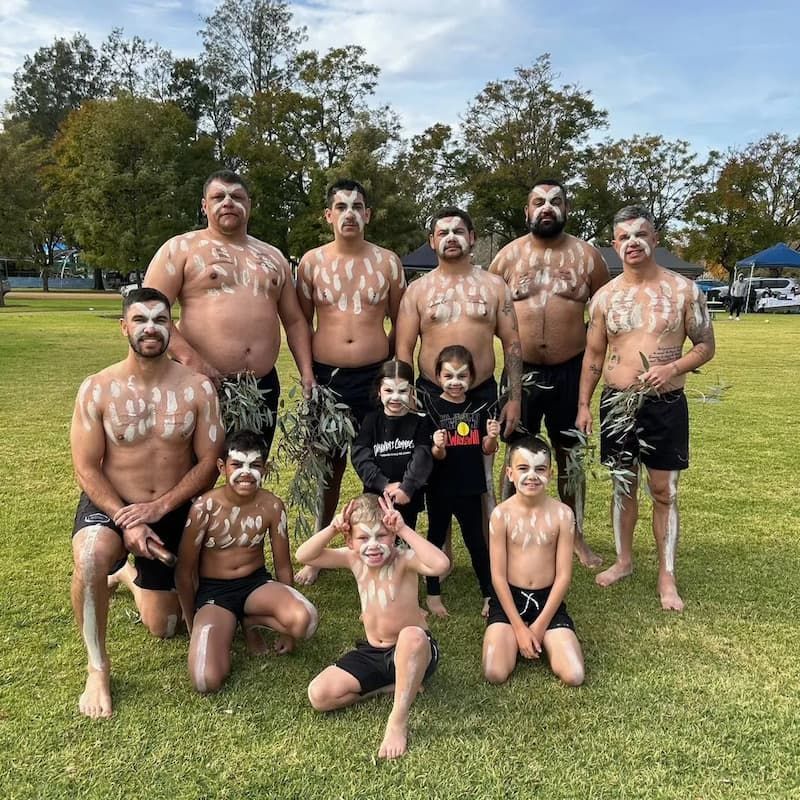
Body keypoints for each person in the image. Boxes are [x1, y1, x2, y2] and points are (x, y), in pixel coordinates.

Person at [70, 288, 223, 719]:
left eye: (160, 319)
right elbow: (86, 468)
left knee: (164, 627)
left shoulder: (197, 389)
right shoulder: (97, 389)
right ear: (124, 327)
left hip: (172, 506)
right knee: (90, 556)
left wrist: (158, 510)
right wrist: (127, 519)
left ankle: (129, 576)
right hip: (114, 502)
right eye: (140, 320)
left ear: (171, 328)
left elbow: (210, 463)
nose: (150, 328)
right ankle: (97, 666)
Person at [576, 205, 715, 612]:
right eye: (623, 237)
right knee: (623, 485)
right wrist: (584, 404)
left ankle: (666, 575)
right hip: (618, 403)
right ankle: (624, 560)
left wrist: (672, 366)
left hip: (665, 404)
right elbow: (593, 356)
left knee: (663, 490)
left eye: (640, 234)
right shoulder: (605, 297)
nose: (632, 242)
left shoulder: (684, 291)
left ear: (655, 240)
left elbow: (706, 346)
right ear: (615, 245)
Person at [144, 169, 315, 454]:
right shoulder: (181, 248)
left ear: (249, 204)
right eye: (218, 196)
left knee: (247, 472)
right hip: (198, 381)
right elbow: (150, 308)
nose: (228, 202)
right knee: (195, 472)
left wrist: (306, 373)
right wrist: (191, 360)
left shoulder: (273, 257)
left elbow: (295, 321)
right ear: (204, 205)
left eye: (237, 196)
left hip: (261, 388)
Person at [489, 178, 610, 569]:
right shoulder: (506, 259)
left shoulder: (588, 257)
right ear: (527, 211)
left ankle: (574, 536)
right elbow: (488, 313)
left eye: (555, 202)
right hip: (519, 371)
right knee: (516, 452)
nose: (547, 208)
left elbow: (607, 314)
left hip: (570, 369)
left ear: (566, 210)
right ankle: (509, 531)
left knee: (569, 456)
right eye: (538, 202)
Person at [294, 179, 406, 584]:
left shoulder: (387, 262)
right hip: (328, 377)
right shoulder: (311, 262)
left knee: (379, 461)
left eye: (357, 206)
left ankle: (382, 543)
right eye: (341, 207)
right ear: (328, 215)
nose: (350, 214)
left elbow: (403, 320)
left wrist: (391, 367)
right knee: (327, 465)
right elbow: (299, 322)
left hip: (375, 376)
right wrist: (308, 375)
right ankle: (319, 551)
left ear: (368, 215)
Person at [297, 493, 450, 760]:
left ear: (393, 536)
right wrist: (333, 528)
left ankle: (397, 720)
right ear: (349, 540)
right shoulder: (353, 559)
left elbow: (441, 564)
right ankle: (387, 686)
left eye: (382, 536)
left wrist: (404, 529)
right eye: (363, 538)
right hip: (373, 652)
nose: (373, 545)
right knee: (319, 695)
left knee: (412, 636)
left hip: (415, 651)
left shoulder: (403, 559)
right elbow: (304, 555)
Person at [175, 430, 318, 693]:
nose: (246, 473)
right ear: (222, 467)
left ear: (265, 468)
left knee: (305, 621)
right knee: (205, 680)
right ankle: (225, 629)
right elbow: (184, 572)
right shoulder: (203, 509)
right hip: (214, 593)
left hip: (256, 585)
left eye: (255, 465)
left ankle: (251, 621)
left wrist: (286, 631)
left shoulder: (272, 507)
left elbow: (283, 566)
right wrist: (190, 620)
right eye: (237, 464)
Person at [482, 436, 584, 687]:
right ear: (509, 473)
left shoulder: (562, 514)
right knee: (495, 673)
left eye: (540, 469)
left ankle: (539, 636)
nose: (532, 476)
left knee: (574, 675)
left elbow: (563, 576)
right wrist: (518, 627)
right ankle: (512, 636)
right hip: (509, 599)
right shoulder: (501, 515)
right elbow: (497, 575)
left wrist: (538, 627)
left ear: (550, 473)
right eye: (523, 468)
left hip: (546, 599)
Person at [424, 345, 498, 618]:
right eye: (449, 376)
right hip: (440, 487)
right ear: (438, 376)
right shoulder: (432, 407)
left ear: (472, 378)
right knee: (434, 538)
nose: (455, 382)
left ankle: (489, 594)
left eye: (462, 376)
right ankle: (433, 594)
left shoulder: (478, 407)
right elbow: (435, 454)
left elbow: (487, 449)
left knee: (476, 542)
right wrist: (438, 446)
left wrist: (491, 436)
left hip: (469, 486)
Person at [351, 359, 433, 530]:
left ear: (411, 391)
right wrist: (384, 484)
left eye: (402, 390)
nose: (395, 397)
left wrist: (407, 487)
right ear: (379, 392)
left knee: (404, 541)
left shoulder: (420, 422)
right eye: (388, 390)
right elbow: (360, 456)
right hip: (377, 496)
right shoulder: (370, 420)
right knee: (379, 539)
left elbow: (422, 457)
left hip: (407, 497)